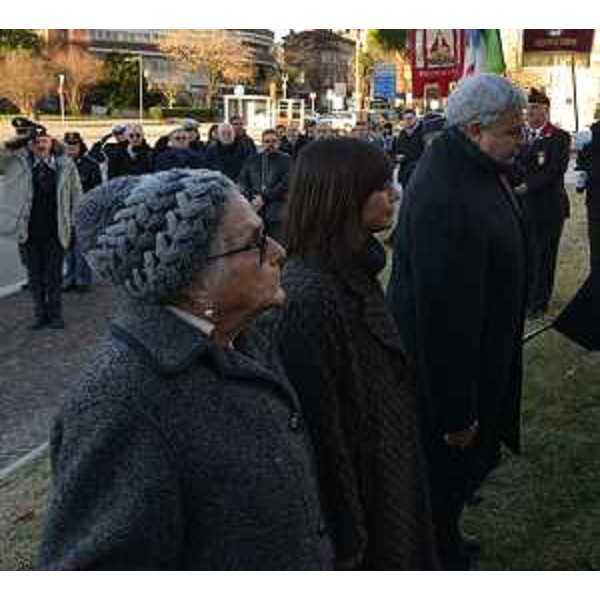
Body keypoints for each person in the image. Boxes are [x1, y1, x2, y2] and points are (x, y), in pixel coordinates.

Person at [39, 169, 333, 570]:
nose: (279, 250)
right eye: (255, 242)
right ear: (192, 279)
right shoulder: (118, 406)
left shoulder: (244, 337)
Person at [259, 138, 438, 570]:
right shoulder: (307, 297)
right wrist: (351, 543)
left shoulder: (353, 268)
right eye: (381, 185)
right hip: (365, 506)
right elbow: (319, 438)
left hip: (388, 479)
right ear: (343, 194)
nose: (395, 193)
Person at [386, 74, 528, 569]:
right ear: (473, 129)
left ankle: (447, 534)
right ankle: (439, 556)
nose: (522, 140)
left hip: (481, 353)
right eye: (513, 131)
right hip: (449, 377)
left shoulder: (473, 166)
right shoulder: (447, 192)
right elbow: (445, 319)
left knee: (454, 479)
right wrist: (457, 413)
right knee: (442, 473)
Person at [0, 125, 82, 329]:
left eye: (44, 140)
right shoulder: (16, 164)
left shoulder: (66, 165)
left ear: (52, 143)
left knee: (54, 277)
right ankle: (39, 315)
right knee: (34, 277)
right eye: (36, 142)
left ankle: (55, 315)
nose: (40, 145)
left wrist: (75, 224)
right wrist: (19, 140)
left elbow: (76, 195)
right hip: (28, 233)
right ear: (29, 145)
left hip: (56, 231)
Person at [514, 88, 571, 319]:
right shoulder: (521, 136)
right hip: (524, 207)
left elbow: (556, 170)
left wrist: (529, 186)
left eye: (535, 108)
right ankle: (527, 297)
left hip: (549, 207)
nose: (529, 113)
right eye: (528, 108)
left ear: (546, 111)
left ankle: (539, 303)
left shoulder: (558, 137)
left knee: (544, 255)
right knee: (527, 254)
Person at [62, 131, 102, 293]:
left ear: (80, 146)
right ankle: (69, 278)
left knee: (81, 249)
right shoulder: (58, 163)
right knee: (67, 249)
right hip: (64, 212)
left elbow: (98, 190)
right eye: (67, 145)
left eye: (74, 145)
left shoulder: (91, 164)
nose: (70, 148)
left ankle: (82, 280)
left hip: (83, 211)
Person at [238, 129, 291, 243]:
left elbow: (285, 183)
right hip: (255, 208)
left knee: (276, 245)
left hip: (276, 210)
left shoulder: (286, 160)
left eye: (273, 141)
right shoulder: (252, 159)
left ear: (278, 143)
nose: (270, 144)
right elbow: (242, 181)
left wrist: (264, 197)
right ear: (262, 143)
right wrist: (252, 198)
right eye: (267, 141)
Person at [575, 120, 600, 273]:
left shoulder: (588, 149)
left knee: (596, 246)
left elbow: (581, 176)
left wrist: (580, 187)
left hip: (595, 205)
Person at [394, 109, 424, 188]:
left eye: (410, 118)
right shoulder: (402, 134)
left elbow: (424, 152)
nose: (407, 121)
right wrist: (397, 157)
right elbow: (397, 150)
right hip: (405, 174)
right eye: (405, 119)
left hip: (419, 173)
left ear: (415, 118)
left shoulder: (422, 132)